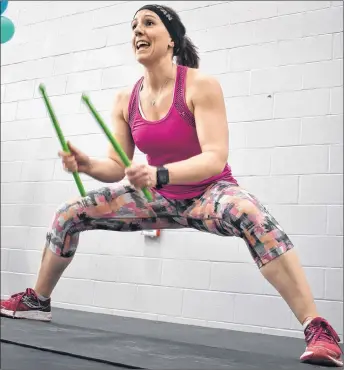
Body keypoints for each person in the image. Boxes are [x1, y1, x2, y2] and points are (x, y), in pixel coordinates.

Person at [1, 4, 342, 367]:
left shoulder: (200, 85)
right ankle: (37, 301)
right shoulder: (125, 99)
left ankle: (318, 329)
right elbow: (116, 166)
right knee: (69, 213)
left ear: (172, 41)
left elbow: (214, 157)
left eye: (149, 23)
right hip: (157, 198)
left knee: (252, 216)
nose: (138, 31)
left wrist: (160, 174)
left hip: (207, 193)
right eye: (133, 26)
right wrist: (87, 165)